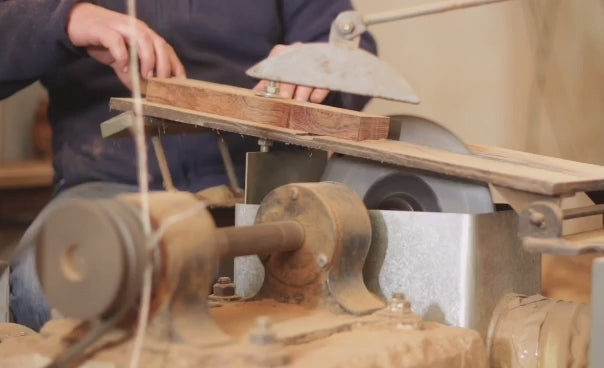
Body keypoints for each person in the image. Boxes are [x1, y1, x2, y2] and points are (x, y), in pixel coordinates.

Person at [1, 0, 376, 331]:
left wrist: (320, 64)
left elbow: (353, 49)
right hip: (107, 185)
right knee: (52, 284)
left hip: (257, 192)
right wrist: (64, 20)